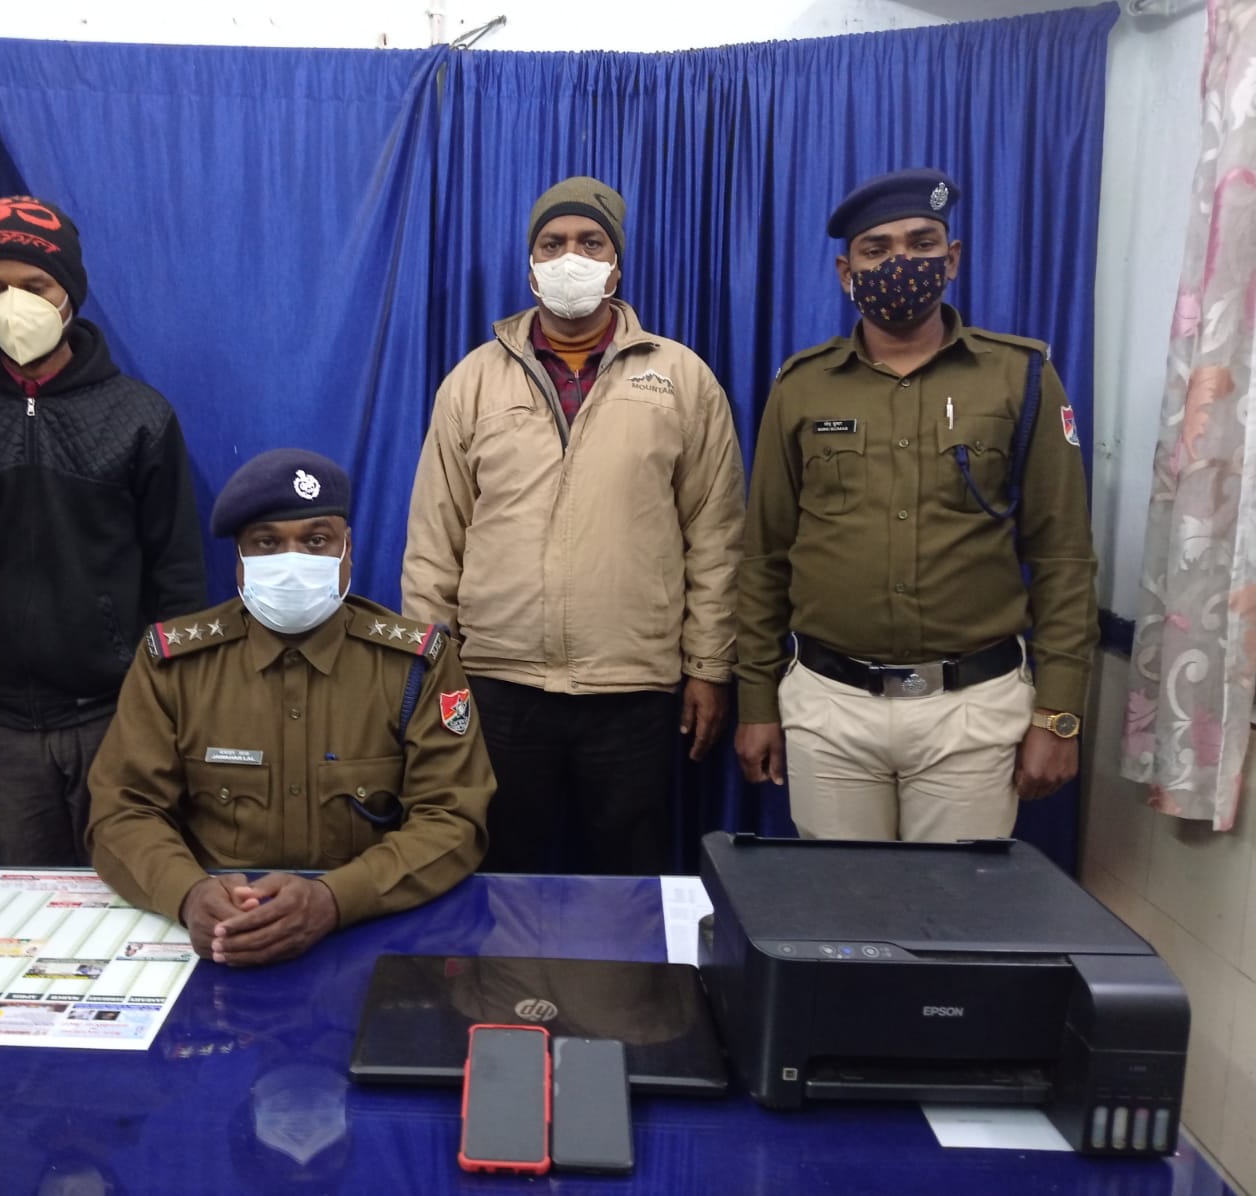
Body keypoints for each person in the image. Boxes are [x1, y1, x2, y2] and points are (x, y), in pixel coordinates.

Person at [734, 168, 1098, 841]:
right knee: (841, 905)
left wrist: (1059, 713)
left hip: (972, 709)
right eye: (876, 250)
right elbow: (764, 556)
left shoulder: (1020, 377)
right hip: (830, 706)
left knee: (956, 905)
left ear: (951, 258)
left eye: (921, 243)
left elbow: (1063, 558)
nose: (900, 262)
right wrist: (756, 700)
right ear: (846, 271)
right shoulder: (803, 386)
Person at [402, 176, 744, 876]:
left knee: (631, 874)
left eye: (591, 243)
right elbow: (435, 538)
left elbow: (715, 538)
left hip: (634, 685)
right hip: (497, 680)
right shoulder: (473, 381)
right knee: (497, 872)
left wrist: (709, 668)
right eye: (552, 243)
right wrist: (434, 666)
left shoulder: (682, 379)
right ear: (530, 264)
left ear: (617, 264)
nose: (570, 258)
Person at [86, 449, 492, 967]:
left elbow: (453, 817)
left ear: (348, 550)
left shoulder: (416, 666)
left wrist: (334, 900)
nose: (293, 560)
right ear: (240, 557)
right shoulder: (174, 664)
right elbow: (123, 810)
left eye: (316, 541)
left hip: (370, 936)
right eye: (267, 543)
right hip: (220, 934)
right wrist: (187, 894)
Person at [0, 195, 206, 866]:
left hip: (118, 715)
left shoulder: (138, 416)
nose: (15, 303)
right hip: (2, 728)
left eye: (35, 286)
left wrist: (171, 714)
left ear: (69, 290)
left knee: (132, 889)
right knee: (30, 905)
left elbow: (178, 577)